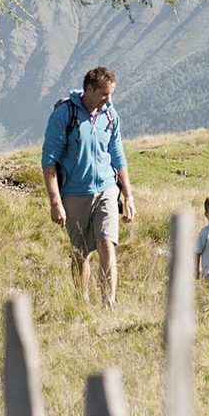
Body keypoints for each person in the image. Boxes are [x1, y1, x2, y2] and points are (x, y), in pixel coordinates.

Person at [41, 66, 135, 307]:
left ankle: (109, 302)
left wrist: (128, 195)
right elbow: (49, 160)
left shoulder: (110, 115)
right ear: (89, 90)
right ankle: (81, 302)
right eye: (104, 94)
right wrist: (55, 203)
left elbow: (118, 155)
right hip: (74, 193)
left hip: (106, 188)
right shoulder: (65, 114)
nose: (109, 99)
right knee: (81, 252)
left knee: (107, 242)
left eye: (111, 93)